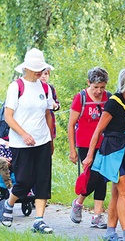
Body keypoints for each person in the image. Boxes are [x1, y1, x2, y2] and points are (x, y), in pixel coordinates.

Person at [83, 67, 125, 241]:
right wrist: (89, 155)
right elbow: (98, 130)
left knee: (117, 192)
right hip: (112, 151)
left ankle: (110, 232)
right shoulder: (113, 103)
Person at [0, 48, 54, 233]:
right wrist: (24, 134)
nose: (39, 71)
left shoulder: (45, 87)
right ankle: (8, 204)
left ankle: (39, 220)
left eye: (41, 68)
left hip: (43, 141)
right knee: (24, 180)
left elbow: (47, 113)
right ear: (26, 68)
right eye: (35, 68)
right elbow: (8, 116)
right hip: (21, 143)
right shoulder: (17, 86)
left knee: (43, 180)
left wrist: (51, 138)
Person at [68, 67, 111, 228]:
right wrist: (72, 150)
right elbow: (71, 124)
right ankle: (78, 203)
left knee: (102, 178)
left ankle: (97, 216)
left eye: (102, 87)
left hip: (104, 144)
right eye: (95, 87)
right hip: (85, 145)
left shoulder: (109, 97)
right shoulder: (81, 98)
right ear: (88, 83)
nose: (99, 91)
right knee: (92, 177)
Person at [40, 67, 60, 139]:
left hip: (49, 122)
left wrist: (55, 106)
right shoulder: (34, 88)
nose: (43, 76)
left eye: (46, 74)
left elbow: (57, 105)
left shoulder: (51, 88)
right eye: (41, 74)